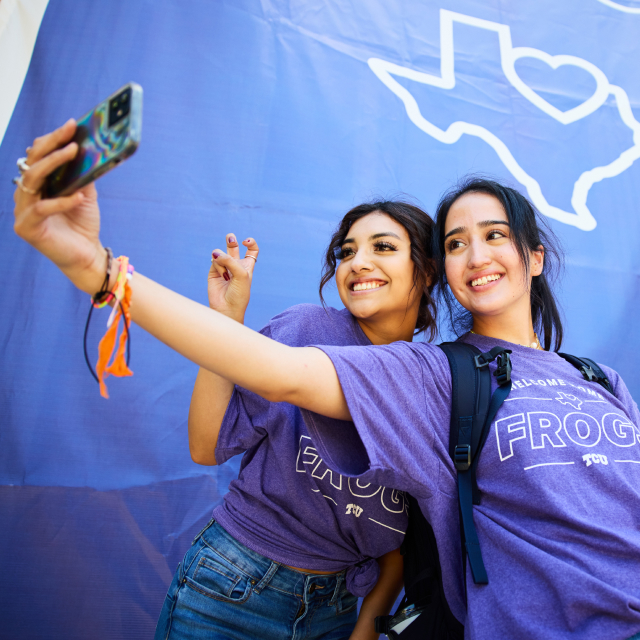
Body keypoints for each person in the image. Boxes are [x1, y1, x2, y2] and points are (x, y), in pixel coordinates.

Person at [14, 121, 640, 640]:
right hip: (237, 580)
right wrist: (99, 269)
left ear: (534, 257)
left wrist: (369, 617)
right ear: (445, 271)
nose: (476, 255)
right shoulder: (433, 374)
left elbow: (408, 528)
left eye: (496, 236)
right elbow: (277, 377)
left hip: (339, 604)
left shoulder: (599, 378)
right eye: (457, 242)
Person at [156, 199, 436, 639]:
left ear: (428, 269)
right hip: (232, 583)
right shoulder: (305, 331)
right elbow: (205, 446)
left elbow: (401, 543)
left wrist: (364, 630)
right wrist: (225, 322)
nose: (358, 263)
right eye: (346, 252)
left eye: (382, 247)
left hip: (335, 607)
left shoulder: (436, 380)